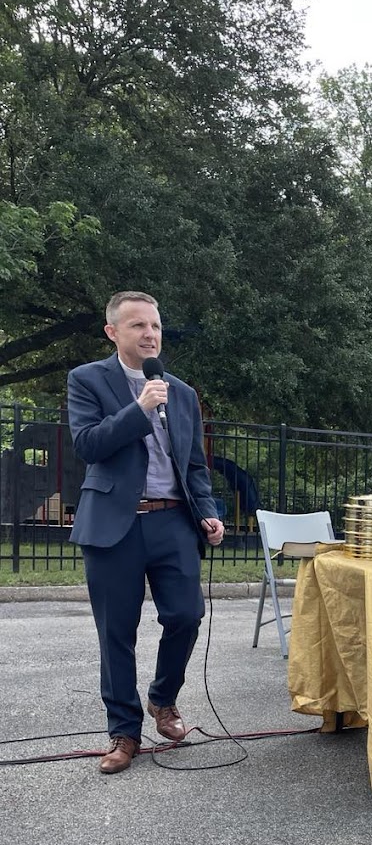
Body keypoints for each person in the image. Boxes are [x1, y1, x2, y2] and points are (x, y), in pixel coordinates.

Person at [67, 291, 224, 774]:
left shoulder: (181, 392)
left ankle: (163, 698)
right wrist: (138, 409)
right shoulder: (86, 380)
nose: (150, 334)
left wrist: (207, 512)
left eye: (154, 325)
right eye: (137, 325)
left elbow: (194, 465)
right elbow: (87, 444)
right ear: (113, 332)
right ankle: (124, 733)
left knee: (187, 615)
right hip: (113, 523)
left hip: (172, 520)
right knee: (117, 632)